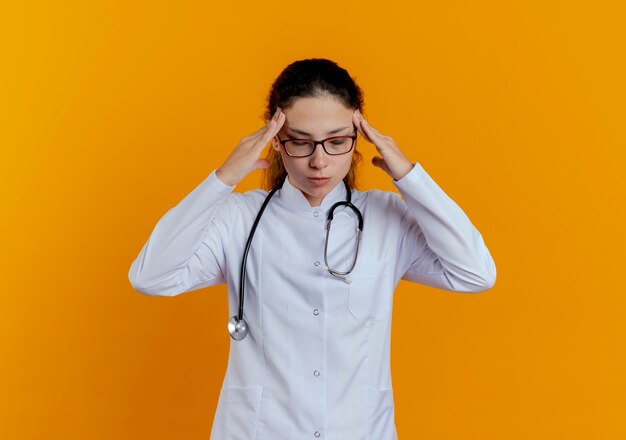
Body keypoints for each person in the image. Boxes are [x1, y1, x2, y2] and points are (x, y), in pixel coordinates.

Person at [128, 58, 497, 440]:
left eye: (337, 141)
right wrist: (222, 180)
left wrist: (410, 177)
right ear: (276, 139)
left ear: (358, 137)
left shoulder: (385, 218)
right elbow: (151, 277)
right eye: (301, 142)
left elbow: (475, 273)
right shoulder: (239, 219)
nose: (318, 161)